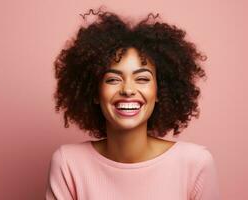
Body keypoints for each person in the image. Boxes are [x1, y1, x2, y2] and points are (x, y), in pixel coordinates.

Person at [45, 7, 220, 200]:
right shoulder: (68, 164)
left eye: (142, 79)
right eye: (113, 79)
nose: (128, 90)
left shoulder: (195, 164)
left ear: (159, 91)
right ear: (94, 92)